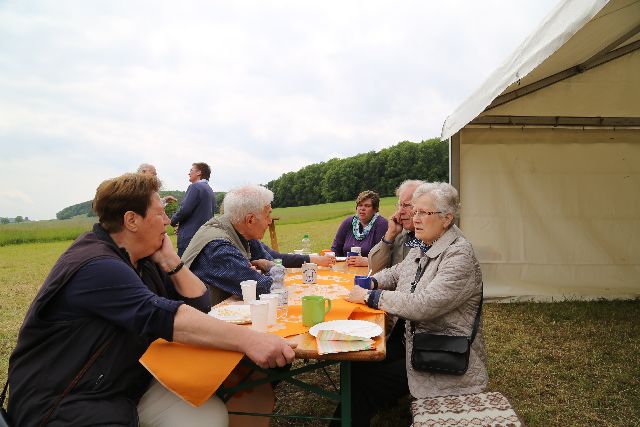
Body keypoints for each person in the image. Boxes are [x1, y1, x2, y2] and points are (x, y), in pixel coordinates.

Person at [6, 173, 295, 427]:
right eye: (160, 213)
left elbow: (198, 306)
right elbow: (164, 316)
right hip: (67, 400)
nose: (169, 221)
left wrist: (171, 260)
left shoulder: (144, 259)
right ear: (132, 220)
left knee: (209, 417)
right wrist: (250, 340)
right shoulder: (96, 265)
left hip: (125, 384)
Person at [334, 182, 487, 426]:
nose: (415, 218)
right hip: (414, 340)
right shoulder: (426, 243)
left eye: (423, 213)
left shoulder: (459, 256)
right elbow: (397, 273)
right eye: (414, 211)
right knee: (357, 362)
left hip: (442, 353)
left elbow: (423, 305)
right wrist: (370, 282)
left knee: (364, 385)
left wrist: (370, 297)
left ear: (447, 218)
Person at [181, 185, 280, 305]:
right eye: (267, 215)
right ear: (250, 220)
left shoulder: (240, 230)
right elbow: (262, 288)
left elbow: (271, 262)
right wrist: (268, 268)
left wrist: (265, 268)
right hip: (200, 321)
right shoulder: (217, 246)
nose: (270, 221)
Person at [368, 179, 425, 274]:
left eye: (406, 205)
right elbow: (373, 269)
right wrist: (390, 235)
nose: (400, 212)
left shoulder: (435, 237)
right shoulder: (399, 233)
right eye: (400, 205)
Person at [331, 190, 388, 267]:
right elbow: (335, 248)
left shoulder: (381, 224)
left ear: (375, 209)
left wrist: (367, 262)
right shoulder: (348, 222)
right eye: (360, 205)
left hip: (370, 272)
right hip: (345, 269)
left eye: (367, 206)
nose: (362, 208)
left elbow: (383, 256)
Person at [171, 162, 216, 256]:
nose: (189, 173)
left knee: (183, 268)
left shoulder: (195, 187)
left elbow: (184, 210)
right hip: (204, 237)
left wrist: (173, 221)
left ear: (199, 172)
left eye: (191, 170)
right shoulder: (210, 190)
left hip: (190, 238)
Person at [250, 240, 336, 269]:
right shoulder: (249, 241)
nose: (269, 221)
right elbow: (277, 260)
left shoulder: (252, 241)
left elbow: (275, 257)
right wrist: (315, 259)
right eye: (266, 216)